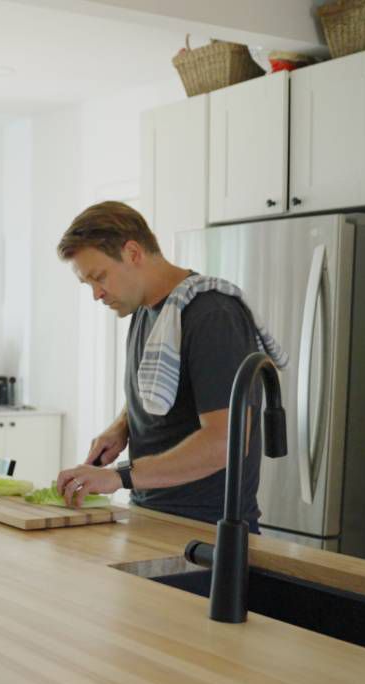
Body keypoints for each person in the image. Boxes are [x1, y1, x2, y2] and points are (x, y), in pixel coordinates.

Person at [52, 202, 285, 533]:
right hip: (152, 516)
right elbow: (161, 388)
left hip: (206, 532)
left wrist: (119, 476)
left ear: (133, 252)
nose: (96, 294)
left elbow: (224, 442)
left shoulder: (210, 315)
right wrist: (122, 426)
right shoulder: (148, 311)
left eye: (99, 277)